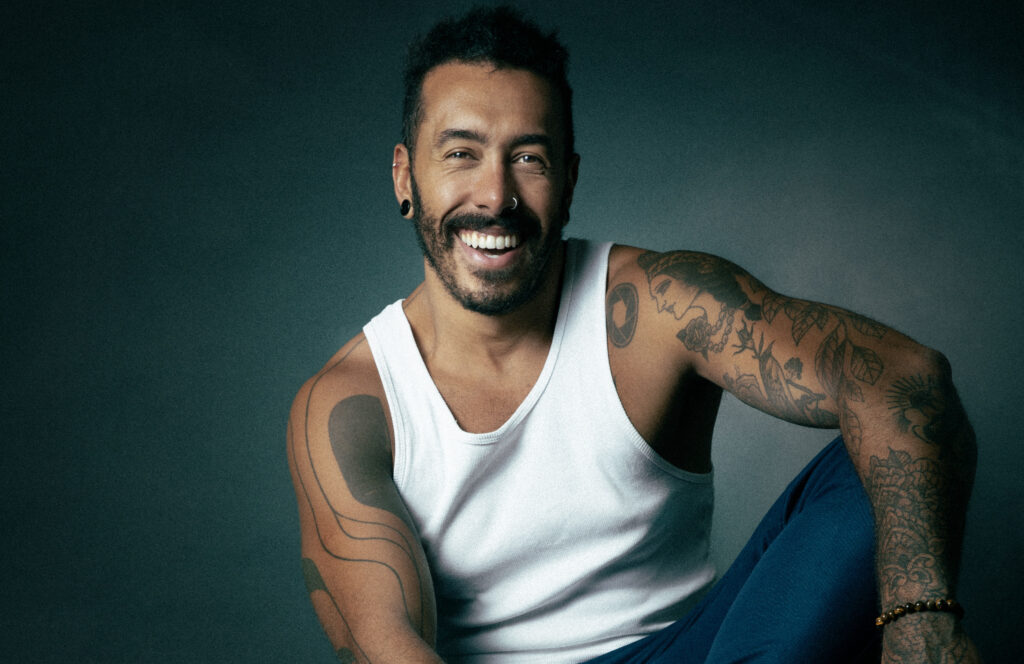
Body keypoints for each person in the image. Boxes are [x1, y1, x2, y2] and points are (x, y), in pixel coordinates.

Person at [288, 7, 978, 663]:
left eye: (528, 158)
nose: (496, 196)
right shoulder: (350, 403)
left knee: (891, 444)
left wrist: (921, 619)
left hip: (710, 654)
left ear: (568, 181)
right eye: (462, 154)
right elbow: (385, 642)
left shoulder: (661, 305)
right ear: (406, 177)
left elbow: (905, 376)